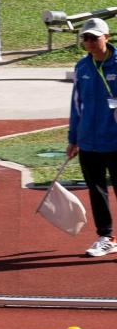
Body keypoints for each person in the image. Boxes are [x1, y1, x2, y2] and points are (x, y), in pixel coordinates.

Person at [66, 18, 117, 258]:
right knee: (96, 192)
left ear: (106, 37)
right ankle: (106, 237)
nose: (89, 42)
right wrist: (73, 138)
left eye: (93, 37)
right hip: (88, 141)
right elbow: (76, 105)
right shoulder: (82, 67)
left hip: (114, 141)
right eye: (85, 38)